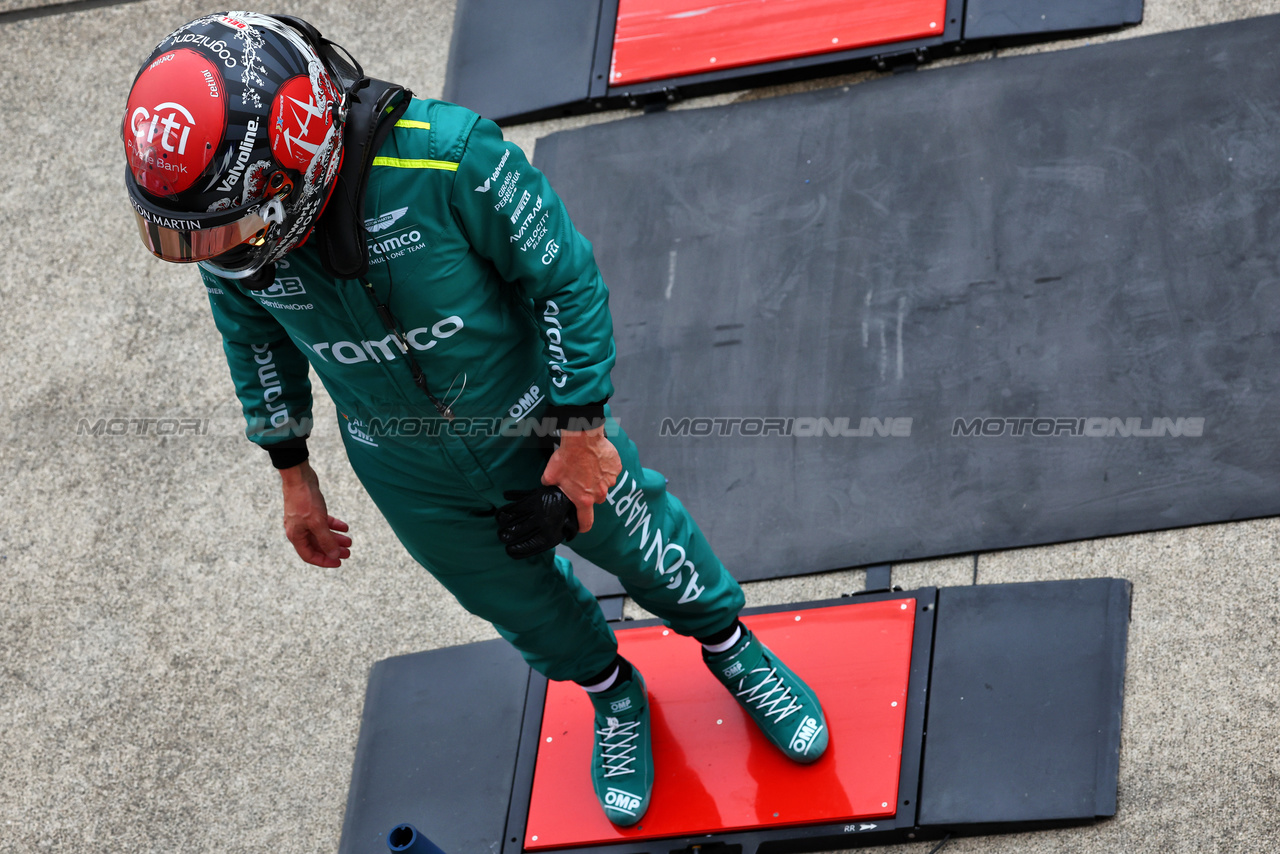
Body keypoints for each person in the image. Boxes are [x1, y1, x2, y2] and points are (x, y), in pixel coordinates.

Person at [123, 11, 828, 826]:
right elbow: (252, 346)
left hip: (539, 426)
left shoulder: (449, 158)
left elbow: (564, 280)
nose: (218, 251)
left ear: (302, 146)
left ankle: (734, 651)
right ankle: (616, 697)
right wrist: (293, 471)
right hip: (407, 471)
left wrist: (583, 432)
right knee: (518, 606)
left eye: (228, 227)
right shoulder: (231, 239)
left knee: (644, 546)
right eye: (198, 236)